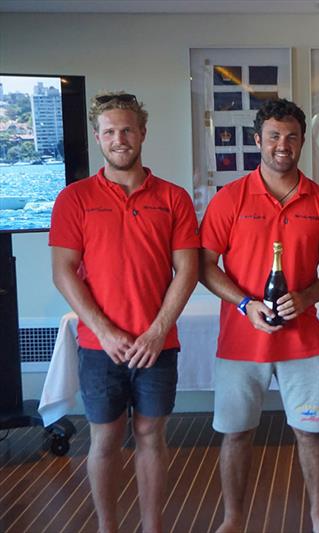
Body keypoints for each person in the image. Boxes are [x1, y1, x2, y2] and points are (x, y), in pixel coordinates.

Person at [50, 92, 200, 533]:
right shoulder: (75, 199)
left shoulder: (173, 198)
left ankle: (153, 527)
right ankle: (107, 527)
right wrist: (105, 330)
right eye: (111, 131)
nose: (120, 139)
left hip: (158, 344)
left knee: (152, 436)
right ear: (98, 137)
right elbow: (63, 272)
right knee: (105, 439)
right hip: (101, 347)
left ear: (143, 133)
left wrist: (156, 331)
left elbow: (187, 271)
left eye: (128, 130)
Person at [199, 98, 319, 533]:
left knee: (311, 432)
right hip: (241, 342)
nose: (283, 145)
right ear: (258, 140)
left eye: (292, 137)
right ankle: (233, 519)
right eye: (275, 136)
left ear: (303, 142)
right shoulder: (230, 199)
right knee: (236, 433)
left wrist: (307, 296)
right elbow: (205, 265)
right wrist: (245, 304)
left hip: (303, 341)